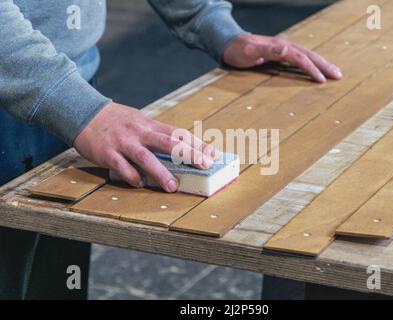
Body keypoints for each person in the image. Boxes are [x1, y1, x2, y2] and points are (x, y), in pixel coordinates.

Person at [0, 0, 342, 299]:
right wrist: (73, 105)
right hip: (26, 97)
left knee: (51, 282)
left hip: (72, 86)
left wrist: (209, 21)